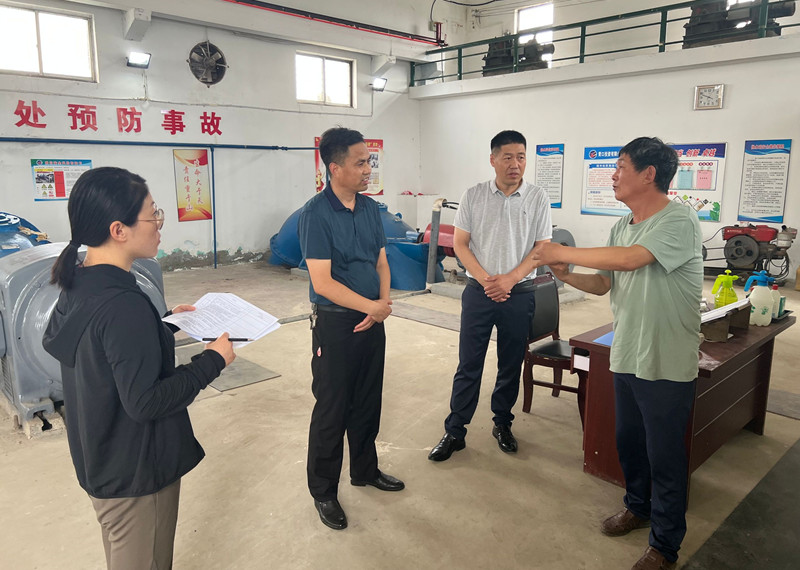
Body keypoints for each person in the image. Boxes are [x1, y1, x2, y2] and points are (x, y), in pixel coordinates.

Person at [42, 167, 236, 570]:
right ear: (119, 230)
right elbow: (146, 401)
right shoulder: (122, 304)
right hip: (136, 476)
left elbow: (99, 346)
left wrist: (162, 323)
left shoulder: (81, 280)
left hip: (101, 458)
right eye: (153, 215)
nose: (159, 225)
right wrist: (213, 360)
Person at [532, 137, 702, 570]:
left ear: (649, 174)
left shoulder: (679, 219)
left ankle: (665, 546)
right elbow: (605, 283)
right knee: (630, 443)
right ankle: (637, 506)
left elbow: (632, 260)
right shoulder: (622, 225)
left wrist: (560, 249)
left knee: (665, 456)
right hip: (627, 353)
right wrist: (566, 275)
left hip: (666, 360)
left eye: (621, 166)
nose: (613, 175)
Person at [298, 127, 403, 531]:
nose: (367, 169)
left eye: (368, 162)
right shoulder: (315, 215)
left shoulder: (371, 209)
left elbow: (381, 262)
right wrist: (371, 307)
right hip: (337, 325)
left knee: (367, 401)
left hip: (373, 319)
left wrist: (382, 305)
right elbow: (322, 283)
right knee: (332, 409)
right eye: (360, 163)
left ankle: (365, 470)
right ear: (335, 167)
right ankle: (323, 491)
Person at [428, 130, 552, 462]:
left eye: (521, 157)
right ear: (493, 160)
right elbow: (460, 244)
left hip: (519, 293)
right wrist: (487, 281)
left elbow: (542, 248)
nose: (516, 164)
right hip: (478, 293)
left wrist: (510, 279)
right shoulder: (474, 195)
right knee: (469, 363)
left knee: (510, 364)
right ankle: (456, 431)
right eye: (508, 157)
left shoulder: (537, 197)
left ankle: (502, 424)